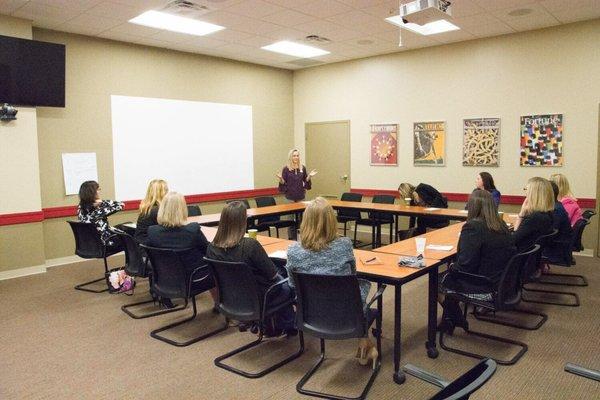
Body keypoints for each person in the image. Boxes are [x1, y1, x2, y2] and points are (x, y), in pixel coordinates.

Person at [285, 197, 376, 368]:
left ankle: (365, 344)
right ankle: (365, 343)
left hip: (311, 315)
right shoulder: (344, 245)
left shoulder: (293, 251)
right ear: (331, 221)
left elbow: (291, 284)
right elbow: (352, 275)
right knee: (363, 285)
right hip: (346, 313)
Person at [206, 201, 296, 336]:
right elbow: (272, 276)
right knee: (287, 283)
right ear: (243, 221)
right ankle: (288, 324)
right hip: (260, 297)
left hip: (232, 297)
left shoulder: (212, 247)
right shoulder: (250, 246)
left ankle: (272, 325)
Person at [438, 190, 516, 333]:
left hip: (485, 286)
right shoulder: (502, 225)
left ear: (473, 207)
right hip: (503, 282)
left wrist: (452, 267)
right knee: (450, 275)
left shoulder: (473, 227)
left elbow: (465, 265)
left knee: (436, 281)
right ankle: (450, 320)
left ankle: (457, 318)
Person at [147, 192, 217, 307]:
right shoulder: (192, 230)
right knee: (218, 267)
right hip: (194, 278)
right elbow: (208, 251)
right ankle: (219, 304)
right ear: (182, 209)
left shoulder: (152, 232)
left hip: (166, 279)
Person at [276, 149, 317, 239]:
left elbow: (305, 180)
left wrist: (309, 176)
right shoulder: (286, 169)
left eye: (297, 155)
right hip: (289, 198)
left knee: (302, 220)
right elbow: (284, 182)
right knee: (290, 221)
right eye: (294, 155)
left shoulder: (302, 168)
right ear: (291, 157)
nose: (296, 157)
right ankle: (291, 239)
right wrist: (280, 179)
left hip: (300, 197)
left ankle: (302, 239)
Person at [77, 180, 124, 249]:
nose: (99, 192)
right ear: (92, 192)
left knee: (123, 228)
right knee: (130, 237)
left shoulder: (80, 208)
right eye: (98, 190)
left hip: (90, 243)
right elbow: (120, 205)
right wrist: (102, 202)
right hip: (104, 243)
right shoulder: (98, 211)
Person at [513, 177, 554, 252]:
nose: (525, 193)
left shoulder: (534, 218)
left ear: (533, 194)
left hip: (518, 257)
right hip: (528, 256)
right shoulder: (547, 214)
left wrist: (521, 215)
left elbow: (513, 240)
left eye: (526, 190)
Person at [543, 181, 573, 264]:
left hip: (555, 250)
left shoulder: (555, 210)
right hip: (558, 246)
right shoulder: (557, 206)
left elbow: (549, 235)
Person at [134, 179, 168, 244]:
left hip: (142, 245)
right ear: (161, 193)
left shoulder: (148, 208)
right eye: (166, 190)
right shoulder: (157, 211)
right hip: (149, 248)